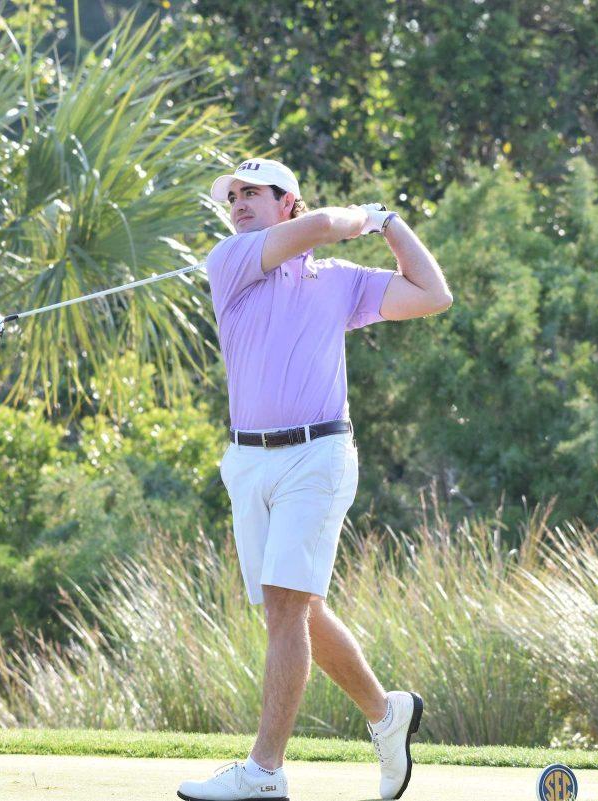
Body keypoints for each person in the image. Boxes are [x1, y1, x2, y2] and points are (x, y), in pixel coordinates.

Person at [178, 159, 452, 801]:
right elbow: (328, 225)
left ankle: (265, 772)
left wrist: (392, 225)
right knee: (297, 610)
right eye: (234, 196)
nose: (239, 204)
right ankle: (387, 714)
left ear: (286, 203)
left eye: (253, 194)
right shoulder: (232, 259)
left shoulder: (341, 283)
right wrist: (364, 216)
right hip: (248, 461)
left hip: (317, 455)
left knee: (284, 607)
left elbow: (433, 294)